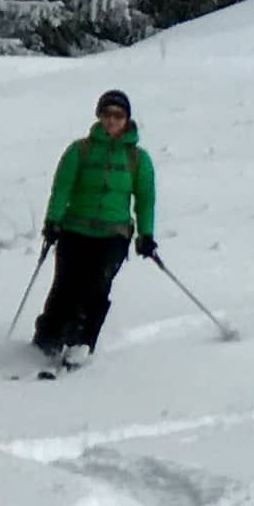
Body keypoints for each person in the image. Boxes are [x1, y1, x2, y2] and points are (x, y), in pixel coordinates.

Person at [35, 89, 158, 362]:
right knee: (65, 287)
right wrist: (53, 220)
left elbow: (146, 199)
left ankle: (82, 343)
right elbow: (62, 187)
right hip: (75, 230)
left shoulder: (138, 159)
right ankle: (47, 340)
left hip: (113, 235)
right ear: (99, 116)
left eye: (118, 115)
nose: (112, 120)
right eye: (107, 114)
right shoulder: (80, 150)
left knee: (97, 288)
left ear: (127, 119)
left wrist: (146, 235)